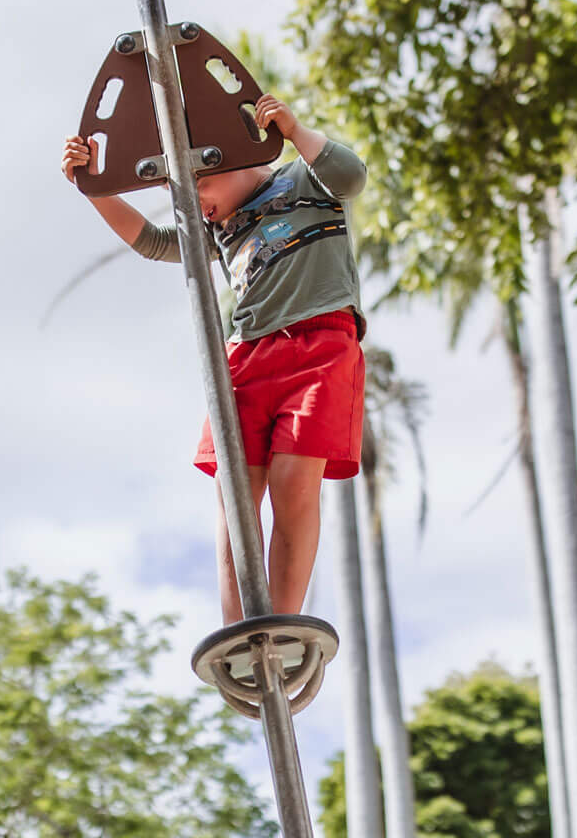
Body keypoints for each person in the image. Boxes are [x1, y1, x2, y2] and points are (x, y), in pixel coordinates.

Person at [62, 93, 366, 621]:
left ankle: (283, 623)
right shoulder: (217, 227)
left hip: (320, 350)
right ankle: (241, 627)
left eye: (198, 184)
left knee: (295, 487)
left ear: (233, 158)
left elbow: (350, 175)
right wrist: (94, 189)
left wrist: (293, 130)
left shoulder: (304, 181)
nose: (194, 201)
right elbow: (154, 242)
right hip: (247, 360)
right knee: (236, 503)